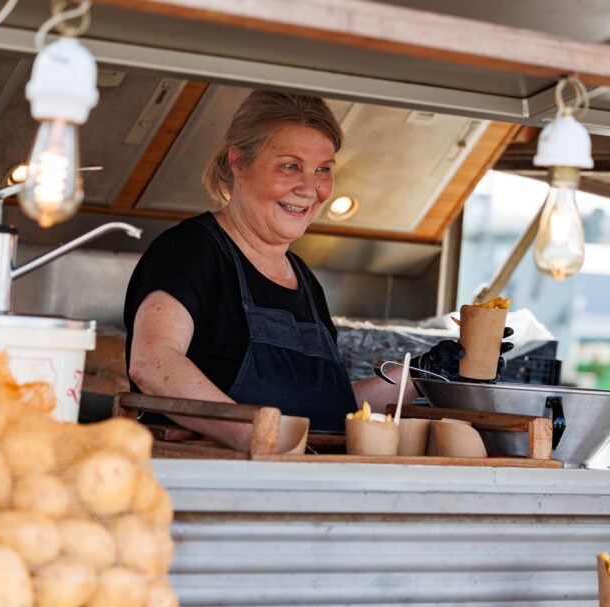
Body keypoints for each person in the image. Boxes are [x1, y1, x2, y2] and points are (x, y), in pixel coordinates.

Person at [123, 90, 501, 452]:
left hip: (300, 481)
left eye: (323, 169)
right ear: (238, 162)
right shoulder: (191, 251)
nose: (310, 188)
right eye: (290, 166)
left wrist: (424, 374)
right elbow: (153, 364)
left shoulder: (302, 277)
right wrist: (261, 439)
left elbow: (327, 408)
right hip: (212, 484)